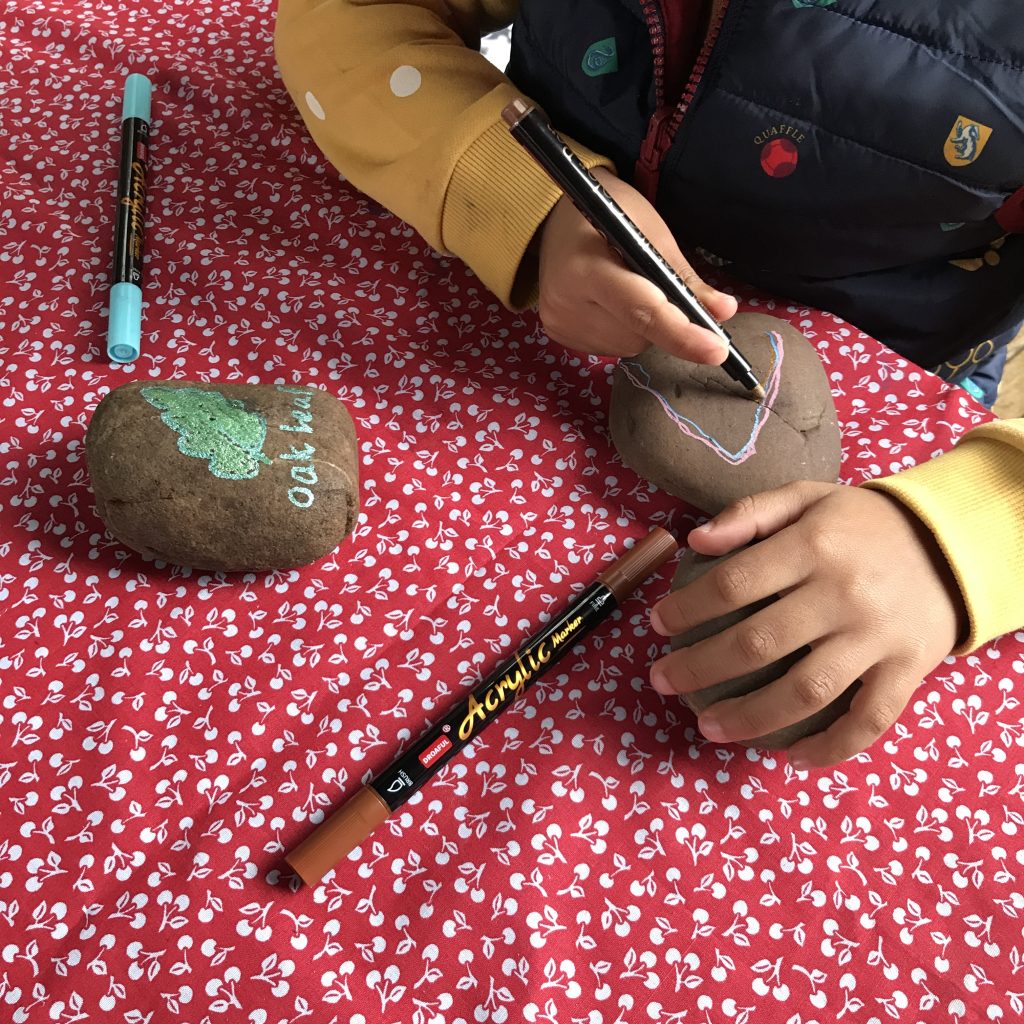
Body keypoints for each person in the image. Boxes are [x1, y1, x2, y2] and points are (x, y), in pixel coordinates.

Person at [274, 0, 1024, 769]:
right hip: (545, 257)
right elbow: (342, 17)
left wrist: (967, 531)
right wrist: (524, 199)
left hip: (912, 420)